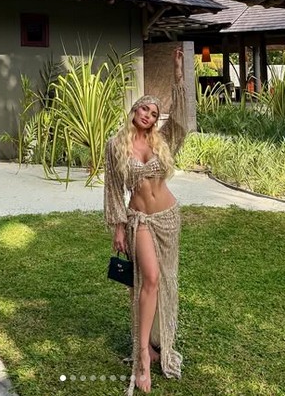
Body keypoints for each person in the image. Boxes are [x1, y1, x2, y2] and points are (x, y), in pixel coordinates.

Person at [104, 46, 187, 395]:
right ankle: (142, 357)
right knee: (149, 278)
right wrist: (119, 226)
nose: (148, 116)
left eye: (153, 113)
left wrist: (178, 76)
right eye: (144, 109)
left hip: (168, 218)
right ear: (134, 110)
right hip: (139, 220)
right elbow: (112, 188)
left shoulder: (162, 141)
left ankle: (155, 345)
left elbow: (182, 119)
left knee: (163, 283)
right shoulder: (115, 145)